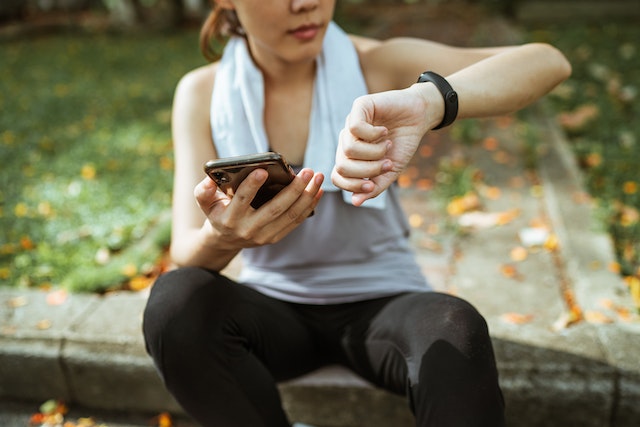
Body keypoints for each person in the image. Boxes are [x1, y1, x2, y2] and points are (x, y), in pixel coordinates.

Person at [142, 0, 571, 426]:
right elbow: (186, 251)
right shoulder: (202, 93)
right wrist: (226, 237)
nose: (305, 3)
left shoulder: (378, 64)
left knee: (456, 327)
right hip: (273, 310)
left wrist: (429, 101)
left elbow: (546, 62)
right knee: (174, 303)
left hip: (384, 303)